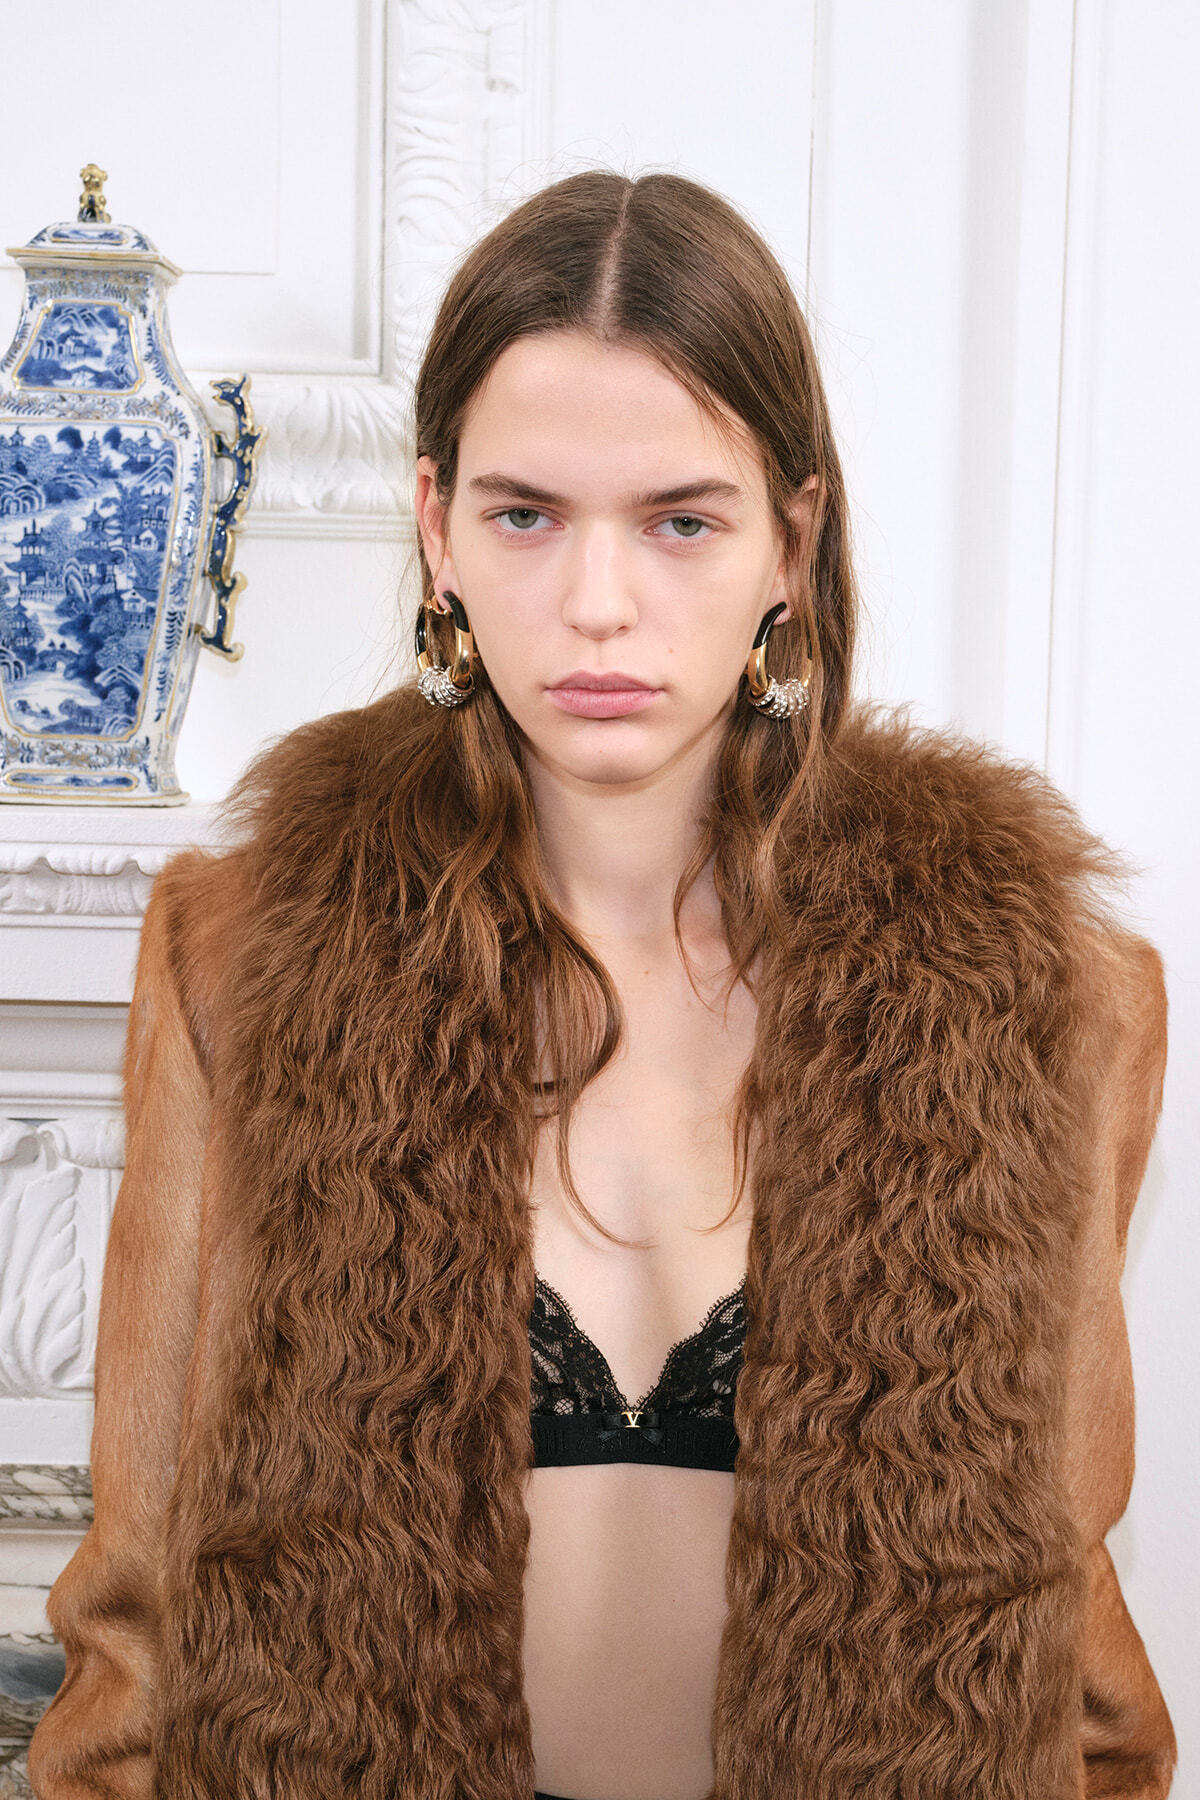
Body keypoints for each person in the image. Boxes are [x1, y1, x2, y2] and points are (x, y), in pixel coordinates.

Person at [27, 171, 1175, 1800]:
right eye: (525, 514)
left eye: (681, 519)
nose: (597, 603)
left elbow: (1063, 1642)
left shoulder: (1038, 1001)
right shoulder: (249, 960)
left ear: (795, 537)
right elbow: (135, 1633)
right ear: (435, 529)